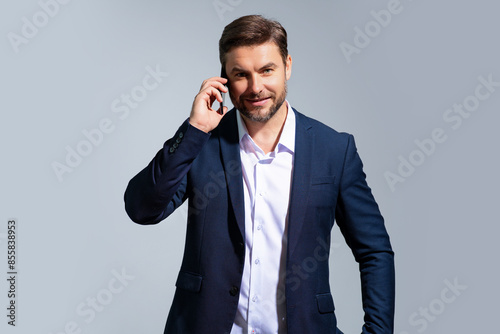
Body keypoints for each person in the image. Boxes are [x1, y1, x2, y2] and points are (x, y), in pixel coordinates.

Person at [124, 14, 395, 334]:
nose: (256, 87)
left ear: (288, 66)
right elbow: (142, 209)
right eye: (241, 74)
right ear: (224, 77)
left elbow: (374, 250)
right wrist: (194, 130)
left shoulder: (334, 150)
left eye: (267, 70)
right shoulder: (203, 144)